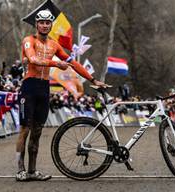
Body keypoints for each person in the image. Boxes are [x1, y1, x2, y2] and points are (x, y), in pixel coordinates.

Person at [15, 9, 109, 181]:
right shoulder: (29, 40)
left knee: (37, 131)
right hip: (29, 87)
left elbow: (72, 63)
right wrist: (56, 64)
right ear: (37, 24)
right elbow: (34, 59)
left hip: (44, 88)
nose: (44, 25)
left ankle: (32, 171)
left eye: (47, 23)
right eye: (41, 23)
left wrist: (93, 79)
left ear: (51, 25)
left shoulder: (54, 44)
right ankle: (20, 170)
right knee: (25, 129)